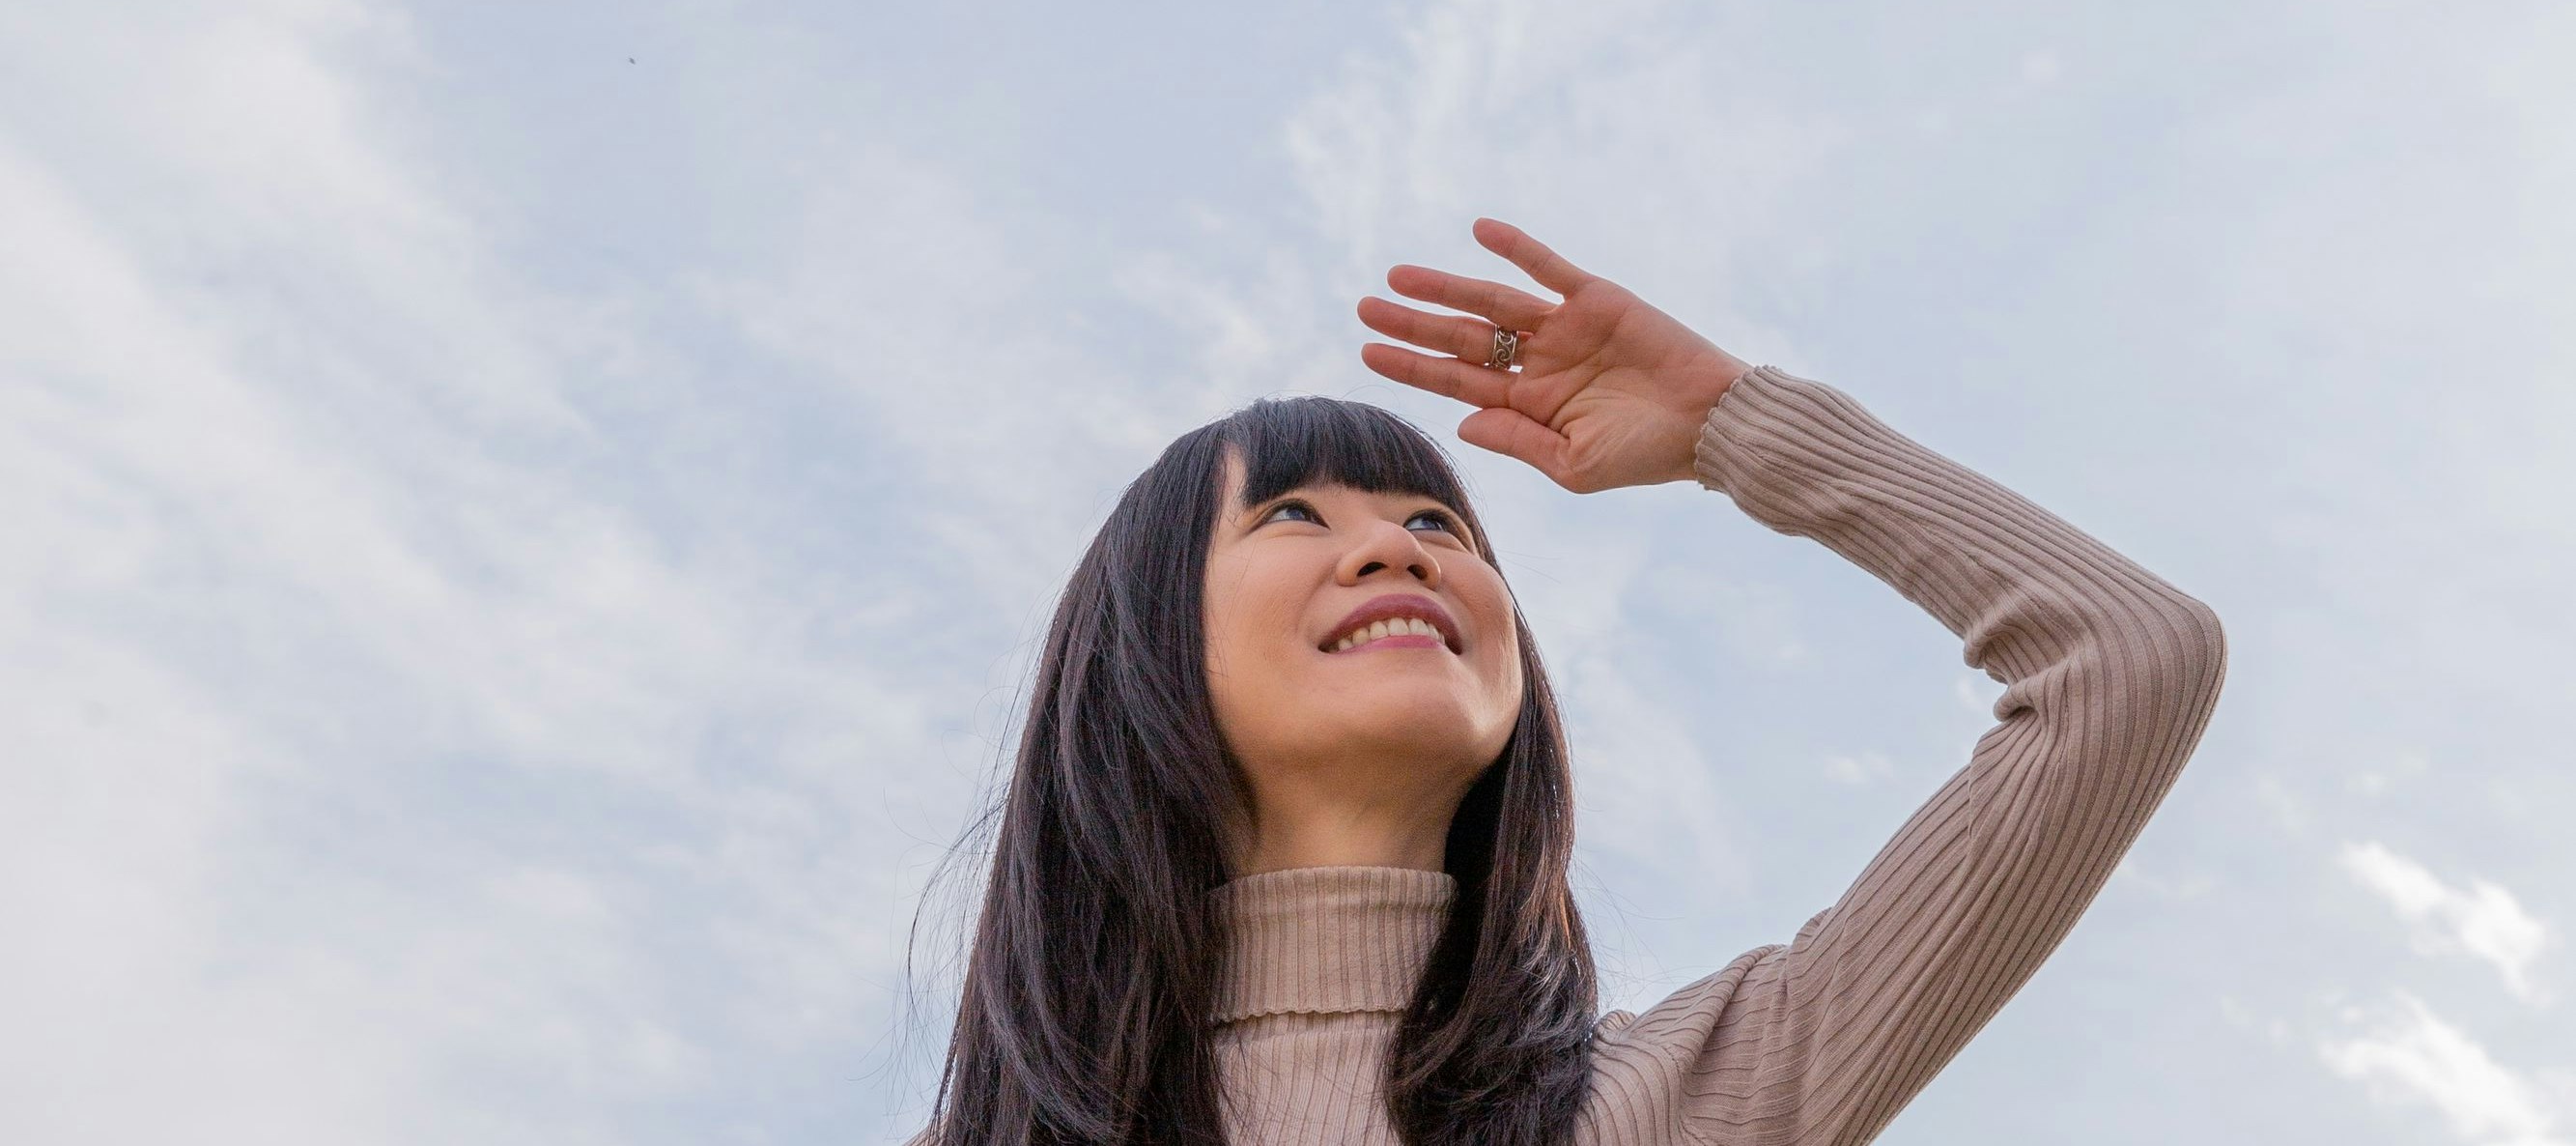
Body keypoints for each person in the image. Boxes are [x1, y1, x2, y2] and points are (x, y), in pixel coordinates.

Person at [909, 217, 2227, 1146]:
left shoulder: (1687, 1099)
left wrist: (1728, 425)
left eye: (1439, 527)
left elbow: (2123, 656)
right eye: (1294, 517)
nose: (1395, 549)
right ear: (1139, 652)